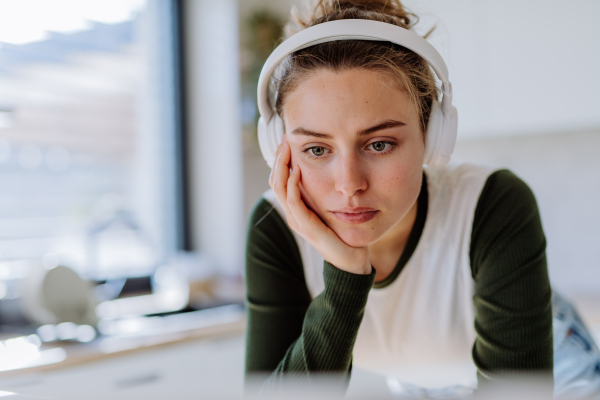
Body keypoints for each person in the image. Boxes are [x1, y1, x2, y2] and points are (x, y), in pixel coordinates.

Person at [244, 0, 600, 397]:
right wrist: (345, 272)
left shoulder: (492, 204)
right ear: (280, 148)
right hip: (422, 381)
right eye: (316, 149)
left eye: (379, 144)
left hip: (559, 363)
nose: (349, 185)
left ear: (432, 137)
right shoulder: (275, 228)